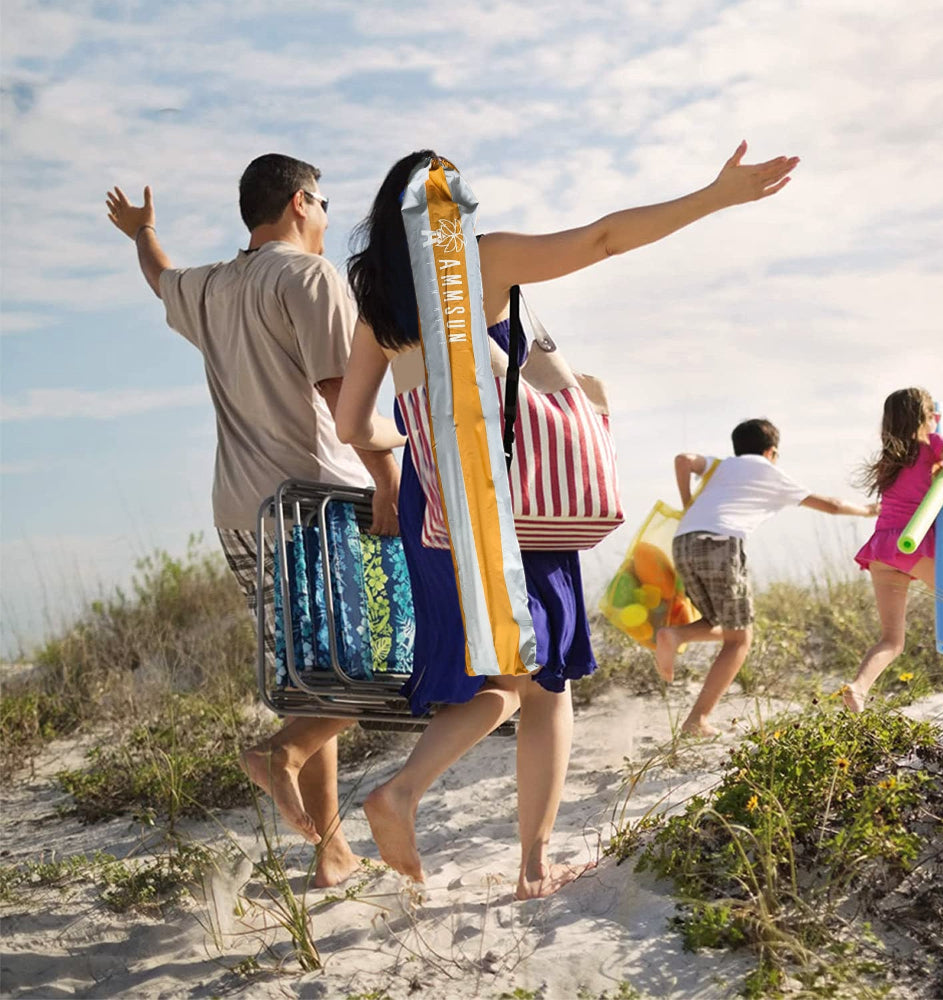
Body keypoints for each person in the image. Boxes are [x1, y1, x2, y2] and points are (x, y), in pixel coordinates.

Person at [335, 142, 799, 898]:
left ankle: (404, 790)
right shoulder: (481, 262)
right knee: (545, 687)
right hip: (515, 500)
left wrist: (419, 434)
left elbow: (355, 423)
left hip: (437, 511)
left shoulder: (380, 302)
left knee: (499, 682)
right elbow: (603, 238)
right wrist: (714, 197)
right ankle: (530, 866)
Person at [105, 154, 404, 887]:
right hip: (319, 503)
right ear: (301, 202)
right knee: (393, 659)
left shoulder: (208, 285)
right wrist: (393, 487)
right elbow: (348, 404)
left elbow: (158, 277)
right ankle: (283, 754)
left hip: (243, 513)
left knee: (316, 679)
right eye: (326, 203)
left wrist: (142, 233)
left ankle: (330, 850)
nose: (330, 218)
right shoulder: (307, 278)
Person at [655, 418, 878, 736]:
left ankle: (677, 636)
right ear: (772, 452)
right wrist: (869, 511)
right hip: (722, 542)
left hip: (683, 542)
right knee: (740, 640)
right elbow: (832, 505)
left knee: (720, 622)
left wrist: (688, 502)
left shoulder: (722, 466)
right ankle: (697, 720)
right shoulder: (768, 471)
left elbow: (683, 460)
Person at [844, 387, 943, 713]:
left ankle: (858, 688)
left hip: (882, 549)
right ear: (925, 418)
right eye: (931, 415)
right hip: (913, 544)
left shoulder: (890, 457)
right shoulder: (933, 445)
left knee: (891, 640)